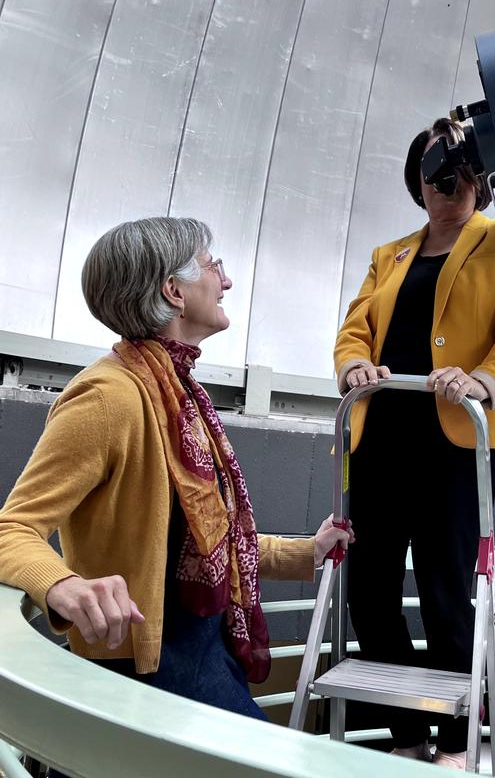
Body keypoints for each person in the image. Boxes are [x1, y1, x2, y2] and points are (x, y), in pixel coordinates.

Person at [0, 217, 351, 743]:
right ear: (174, 291)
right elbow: (13, 527)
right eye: (216, 266)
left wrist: (308, 553)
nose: (226, 281)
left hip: (202, 652)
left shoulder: (179, 394)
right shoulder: (107, 396)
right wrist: (63, 585)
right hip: (146, 671)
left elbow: (201, 538)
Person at [334, 118, 495, 770]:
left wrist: (481, 382)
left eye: (458, 175)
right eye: (433, 175)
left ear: (479, 180)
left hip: (459, 438)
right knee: (368, 587)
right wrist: (354, 369)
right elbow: (352, 333)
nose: (446, 186)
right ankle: (408, 734)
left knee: (444, 588)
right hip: (384, 435)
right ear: (416, 182)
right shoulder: (388, 254)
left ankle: (458, 744)